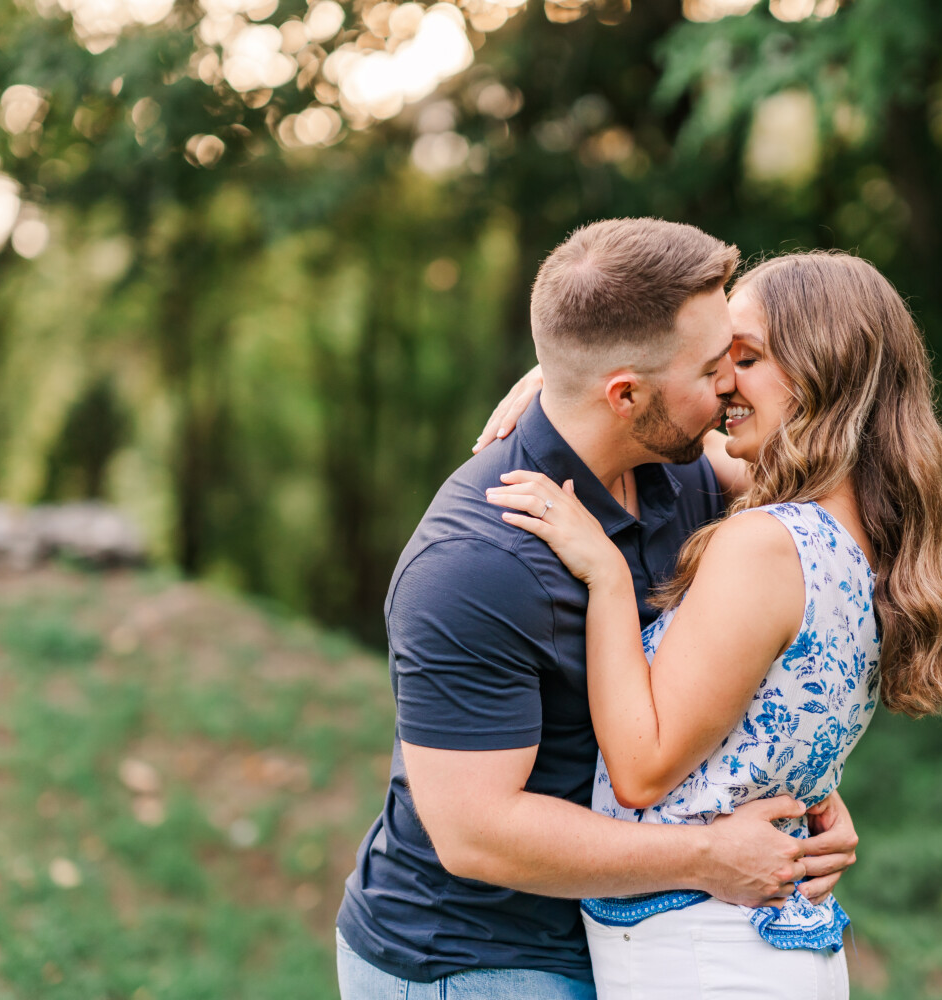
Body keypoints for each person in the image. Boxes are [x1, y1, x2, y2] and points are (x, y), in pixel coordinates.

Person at [335, 220, 862, 1000]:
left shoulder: (680, 473)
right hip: (480, 959)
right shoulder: (473, 564)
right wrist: (709, 856)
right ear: (626, 395)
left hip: (627, 936)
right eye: (715, 367)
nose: (730, 386)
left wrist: (807, 792)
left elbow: (840, 483)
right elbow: (474, 835)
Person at [485, 250, 942, 999]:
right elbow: (704, 437)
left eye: (743, 358)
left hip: (706, 957)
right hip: (756, 950)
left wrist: (607, 577)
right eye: (715, 360)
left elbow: (644, 769)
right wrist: (574, 386)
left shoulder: (765, 545)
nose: (721, 382)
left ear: (819, 376)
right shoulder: (865, 536)